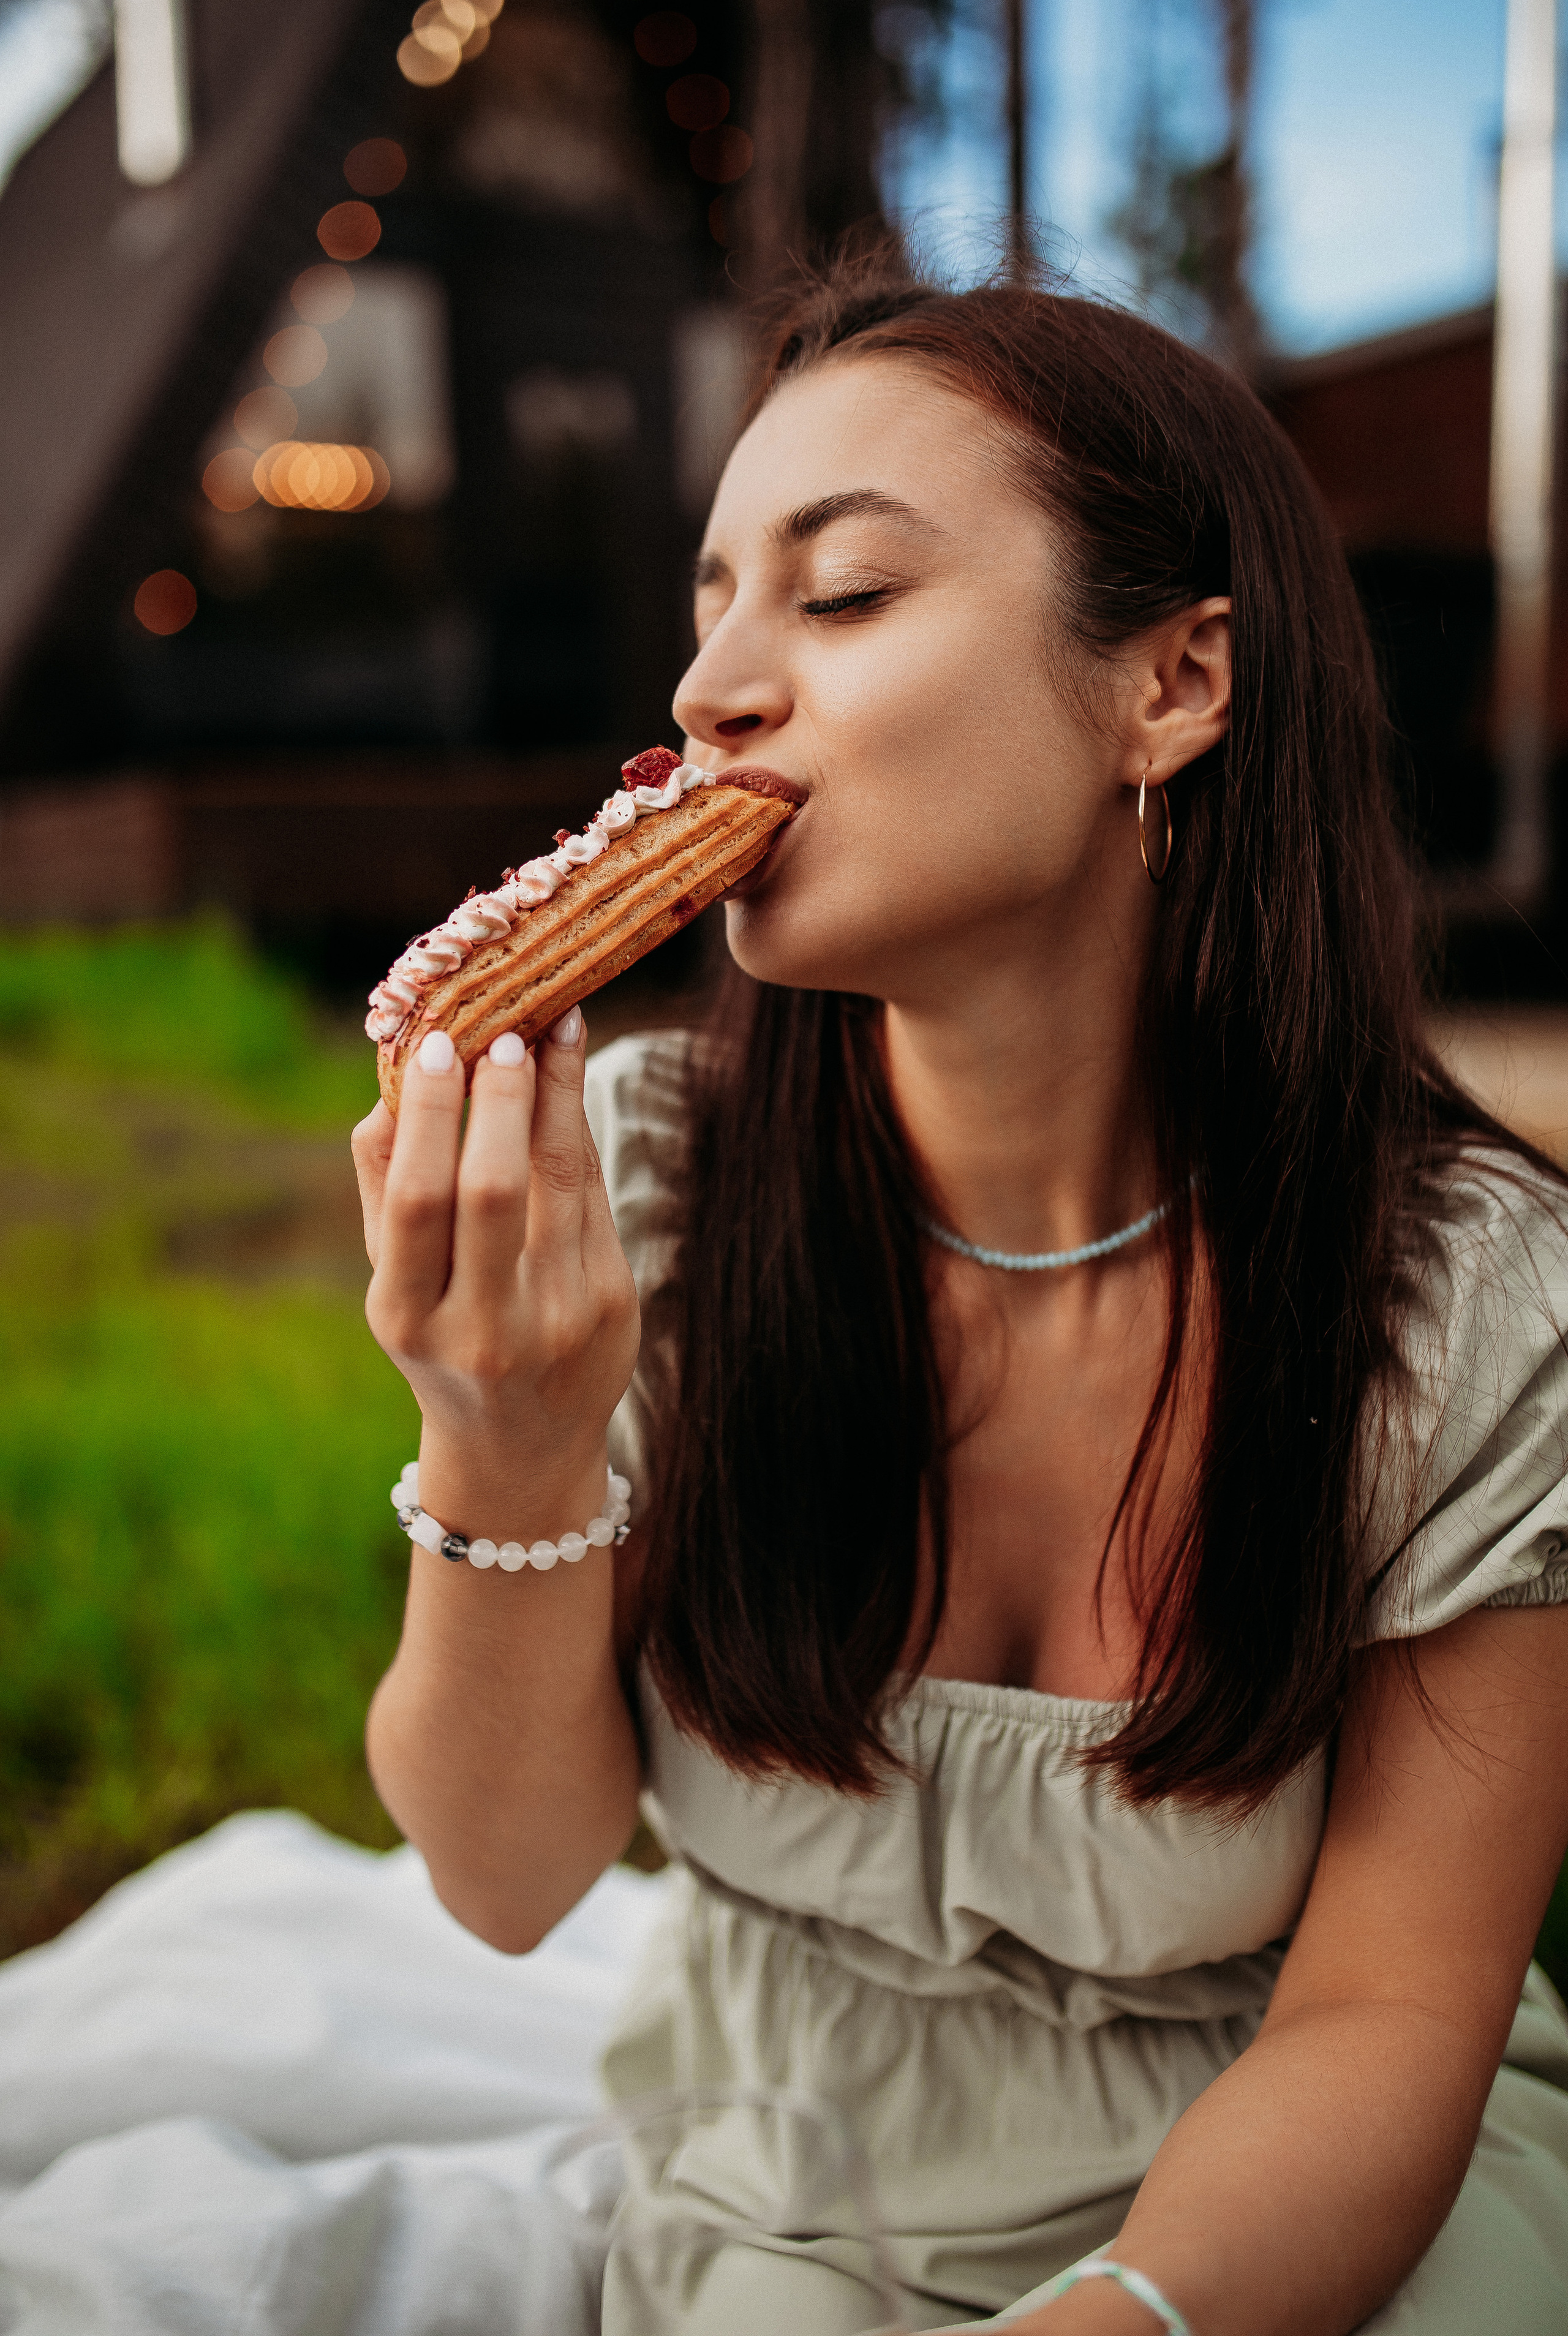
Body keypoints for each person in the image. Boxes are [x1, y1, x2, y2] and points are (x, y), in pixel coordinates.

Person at [350, 260, 1568, 2336]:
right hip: (794, 2189)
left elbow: (1384, 2020)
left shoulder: (1472, 1311)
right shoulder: (654, 1182)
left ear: (1172, 686)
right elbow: (506, 1878)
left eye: (840, 597)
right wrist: (504, 1439)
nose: (711, 693)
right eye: (715, 604)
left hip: (1304, 2203)